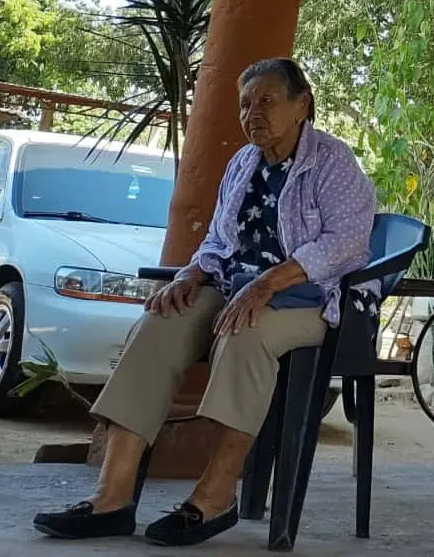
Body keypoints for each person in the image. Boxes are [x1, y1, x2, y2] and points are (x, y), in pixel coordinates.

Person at [33, 57, 379, 547]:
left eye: (266, 101)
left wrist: (267, 285)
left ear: (302, 106)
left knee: (246, 333)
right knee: (159, 322)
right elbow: (219, 240)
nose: (252, 112)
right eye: (244, 103)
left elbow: (344, 242)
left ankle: (215, 496)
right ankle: (111, 498)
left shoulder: (332, 162)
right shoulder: (244, 163)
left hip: (308, 298)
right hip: (232, 287)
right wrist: (191, 274)